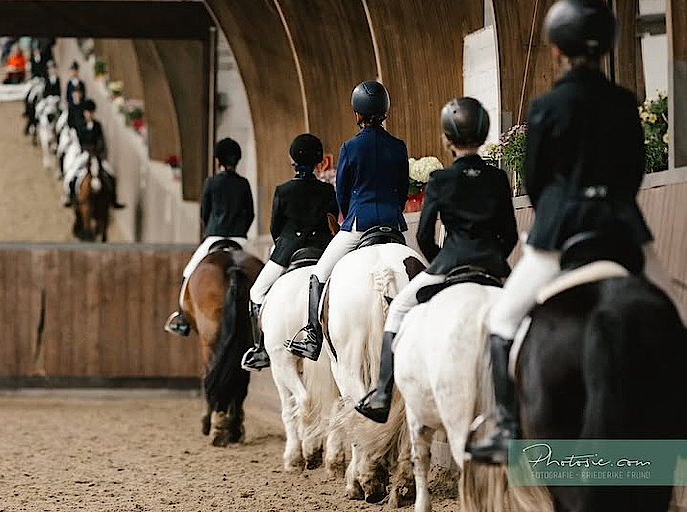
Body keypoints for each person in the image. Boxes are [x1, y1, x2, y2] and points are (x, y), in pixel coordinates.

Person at [466, 0, 687, 464]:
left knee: (502, 321)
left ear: (554, 51)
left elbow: (536, 179)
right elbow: (632, 176)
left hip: (560, 235)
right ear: (607, 45)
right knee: (674, 319)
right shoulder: (625, 104)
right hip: (623, 231)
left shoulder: (547, 107)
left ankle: (508, 430)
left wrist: (560, 210)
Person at [354, 97, 519, 423]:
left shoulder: (440, 180)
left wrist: (441, 263)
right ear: (484, 135)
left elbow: (425, 236)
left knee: (398, 312)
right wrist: (492, 259)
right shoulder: (498, 179)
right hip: (494, 267)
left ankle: (383, 394)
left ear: (446, 140)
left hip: (448, 265)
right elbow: (510, 235)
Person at [286, 80, 409, 361]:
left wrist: (350, 216)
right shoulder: (398, 146)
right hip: (393, 225)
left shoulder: (350, 147)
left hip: (358, 225)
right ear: (385, 111)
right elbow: (401, 190)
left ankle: (313, 337)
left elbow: (342, 192)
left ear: (357, 114)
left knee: (318, 275)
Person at [241, 134, 339, 371]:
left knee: (257, 292)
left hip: (289, 250)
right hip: (323, 251)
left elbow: (275, 227)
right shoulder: (327, 190)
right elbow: (333, 220)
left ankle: (261, 349)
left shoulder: (283, 190)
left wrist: (284, 244)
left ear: (292, 160)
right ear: (319, 161)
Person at [165, 138, 255, 336]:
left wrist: (211, 230)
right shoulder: (244, 183)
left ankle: (182, 317)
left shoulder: (211, 182)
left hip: (214, 237)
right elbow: (250, 213)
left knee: (189, 273)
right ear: (237, 160)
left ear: (217, 161)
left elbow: (205, 213)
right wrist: (241, 232)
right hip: (240, 239)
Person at [63, 100, 125, 209]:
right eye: (87, 112)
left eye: (91, 112)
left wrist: (97, 152)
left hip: (96, 155)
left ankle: (113, 200)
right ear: (84, 113)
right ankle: (71, 198)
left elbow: (101, 141)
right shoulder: (80, 125)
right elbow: (80, 141)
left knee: (111, 174)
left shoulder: (97, 125)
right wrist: (86, 151)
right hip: (83, 155)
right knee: (71, 175)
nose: (89, 114)